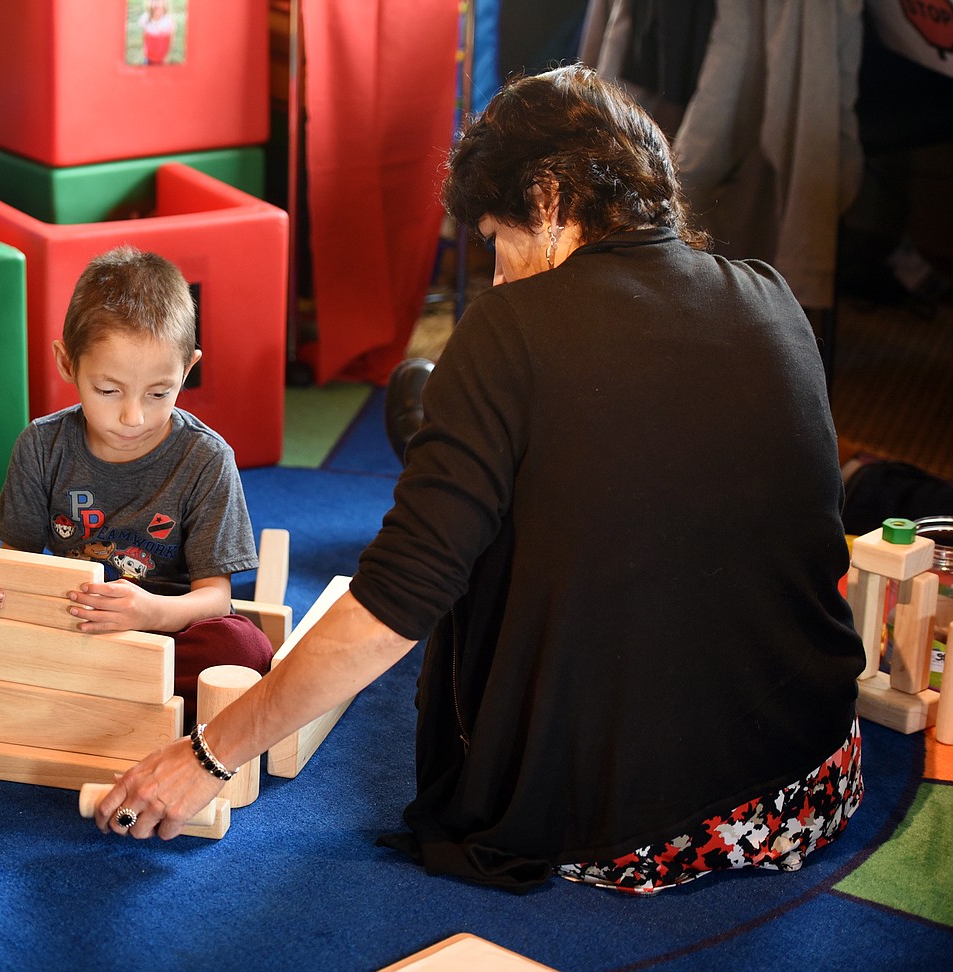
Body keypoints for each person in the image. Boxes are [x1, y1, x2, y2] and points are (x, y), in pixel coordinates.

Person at [87, 66, 866, 895]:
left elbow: (394, 607)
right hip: (811, 783)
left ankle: (426, 417)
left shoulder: (509, 331)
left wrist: (208, 754)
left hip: (636, 829)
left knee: (463, 504)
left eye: (497, 237)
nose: (495, 273)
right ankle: (429, 418)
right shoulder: (772, 295)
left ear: (552, 196)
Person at [0, 245, 274, 719]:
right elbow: (11, 570)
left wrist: (150, 613)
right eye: (108, 390)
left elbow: (215, 597)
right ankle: (111, 695)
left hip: (164, 631)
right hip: (68, 625)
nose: (133, 416)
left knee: (244, 648)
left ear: (187, 369)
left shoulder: (207, 459)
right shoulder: (42, 446)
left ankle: (80, 696)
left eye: (159, 392)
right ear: (67, 363)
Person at [138, 0, 174, 66]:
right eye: (153, 1)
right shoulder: (145, 18)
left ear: (164, 3)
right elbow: (144, 35)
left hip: (162, 57)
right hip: (149, 56)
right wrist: (144, 48)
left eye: (159, 1)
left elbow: (170, 38)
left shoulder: (168, 20)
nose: (156, 4)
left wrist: (167, 55)